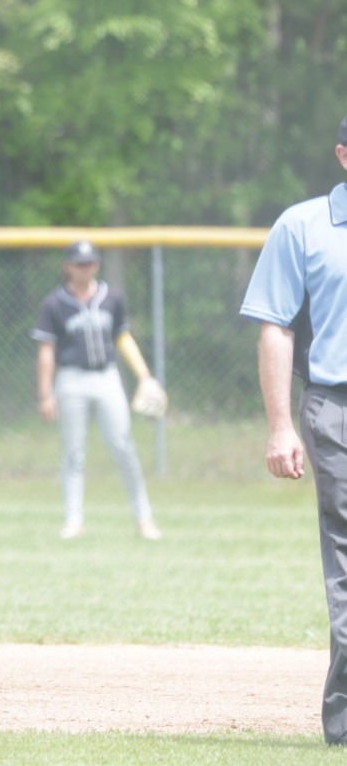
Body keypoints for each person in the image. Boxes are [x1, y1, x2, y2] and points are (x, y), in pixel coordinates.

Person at [240, 114, 347, 746]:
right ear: (342, 153)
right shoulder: (303, 225)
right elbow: (275, 325)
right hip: (336, 409)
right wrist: (281, 426)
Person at [31, 239, 165, 541]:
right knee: (73, 453)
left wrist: (144, 375)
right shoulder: (55, 303)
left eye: (91, 262)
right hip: (71, 379)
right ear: (67, 267)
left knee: (124, 447)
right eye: (80, 263)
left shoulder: (111, 298)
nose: (86, 267)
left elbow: (122, 337)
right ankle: (73, 521)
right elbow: (46, 350)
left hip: (107, 378)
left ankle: (144, 519)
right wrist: (45, 393)